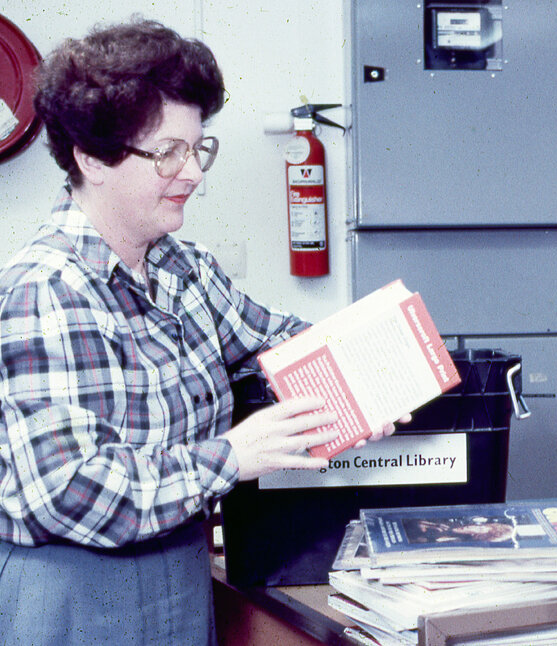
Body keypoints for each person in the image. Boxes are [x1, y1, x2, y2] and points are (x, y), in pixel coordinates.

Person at [0, 18, 399, 645]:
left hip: (179, 578)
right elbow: (67, 492)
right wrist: (234, 457)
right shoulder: (46, 289)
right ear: (91, 158)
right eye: (168, 153)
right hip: (76, 595)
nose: (193, 174)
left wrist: (365, 380)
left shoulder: (181, 268)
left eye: (197, 148)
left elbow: (276, 340)